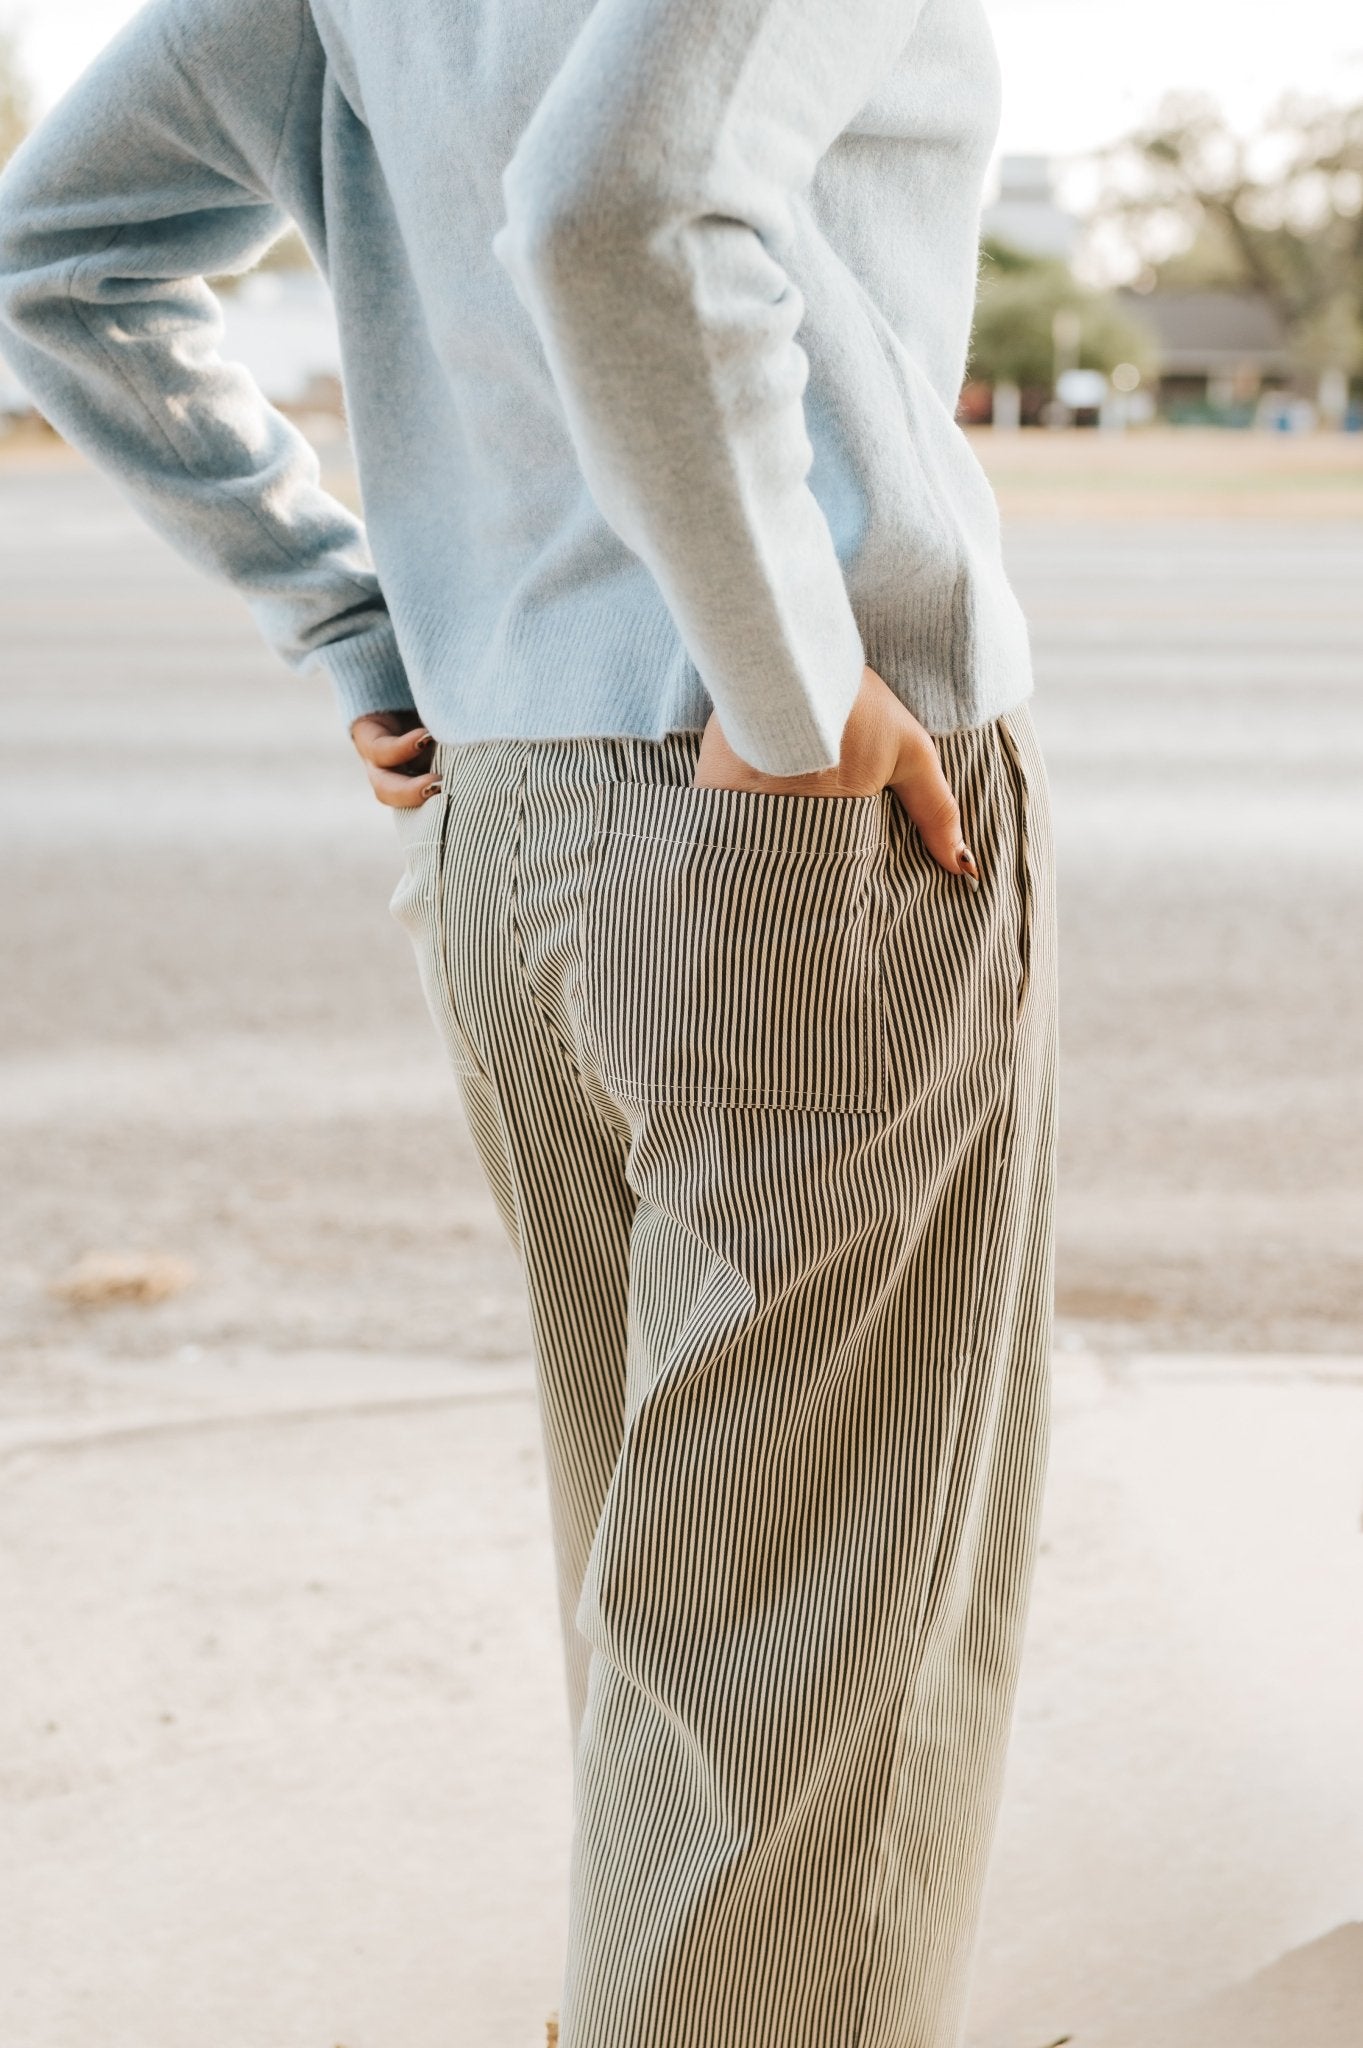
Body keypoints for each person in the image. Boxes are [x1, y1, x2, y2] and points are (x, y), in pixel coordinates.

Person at [0, 0, 1057, 2040]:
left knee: (683, 1625)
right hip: (800, 808)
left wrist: (346, 613)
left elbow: (55, 250)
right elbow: (616, 200)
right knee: (799, 1684)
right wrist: (784, 671)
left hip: (507, 804)